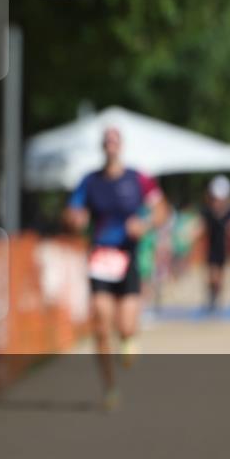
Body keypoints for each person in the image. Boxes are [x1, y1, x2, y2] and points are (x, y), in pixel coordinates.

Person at [62, 127, 167, 411]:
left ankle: (130, 339)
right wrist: (77, 219)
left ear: (120, 146)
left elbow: (161, 210)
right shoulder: (90, 181)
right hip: (100, 259)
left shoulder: (138, 178)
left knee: (126, 326)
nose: (111, 144)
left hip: (128, 258)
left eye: (115, 140)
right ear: (102, 146)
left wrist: (144, 225)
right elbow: (72, 211)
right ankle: (109, 388)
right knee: (100, 323)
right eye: (106, 140)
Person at [201, 175, 230, 312]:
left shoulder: (229, 214)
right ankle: (212, 298)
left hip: (223, 249)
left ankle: (216, 299)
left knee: (220, 277)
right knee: (212, 276)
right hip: (211, 248)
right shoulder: (208, 213)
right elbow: (201, 228)